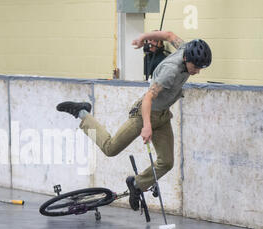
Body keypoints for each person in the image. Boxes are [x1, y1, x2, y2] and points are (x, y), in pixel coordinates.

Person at [56, 31, 212, 211]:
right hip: (144, 113)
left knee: (166, 162)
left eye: (201, 67)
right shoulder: (170, 71)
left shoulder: (186, 48)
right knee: (111, 148)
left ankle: (136, 185)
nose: (197, 71)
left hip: (162, 115)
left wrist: (143, 37)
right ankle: (82, 113)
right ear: (186, 59)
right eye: (196, 67)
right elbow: (147, 99)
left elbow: (169, 35)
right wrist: (146, 126)